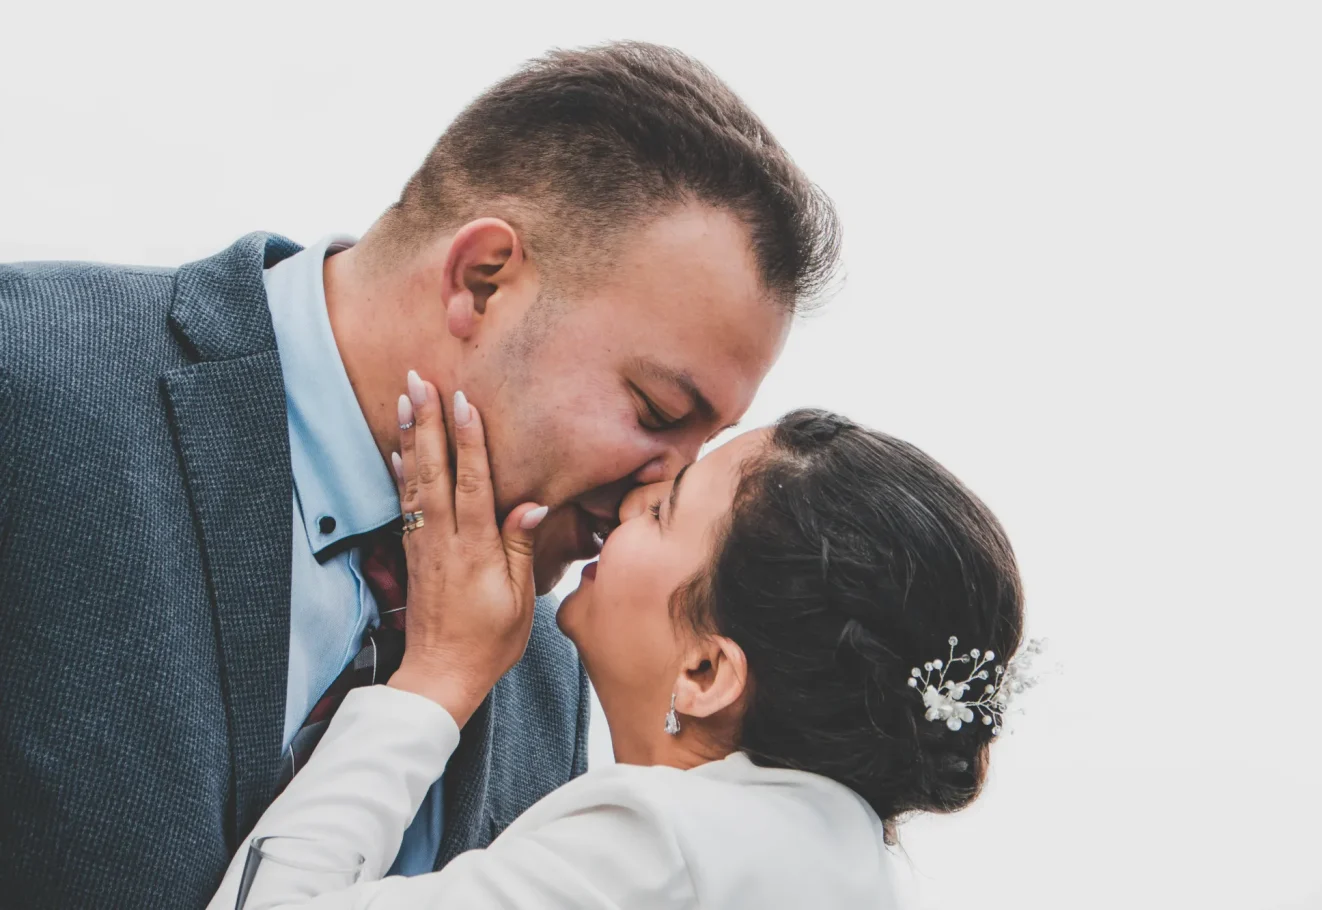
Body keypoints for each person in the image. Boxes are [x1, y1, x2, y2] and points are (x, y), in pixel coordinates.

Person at [0, 43, 839, 908]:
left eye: (704, 446)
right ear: (481, 283)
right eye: (658, 413)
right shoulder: (28, 382)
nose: (650, 494)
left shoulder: (550, 671)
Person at [206, 386, 1028, 909]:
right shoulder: (844, 867)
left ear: (706, 671)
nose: (633, 497)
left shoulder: (656, 849)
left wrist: (439, 677)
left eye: (667, 509)